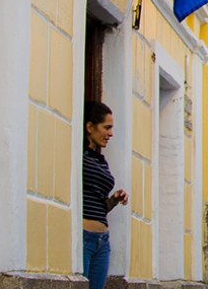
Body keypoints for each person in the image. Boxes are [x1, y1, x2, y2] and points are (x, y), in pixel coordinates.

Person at [82, 101, 130, 289]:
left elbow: (101, 205)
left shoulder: (101, 161)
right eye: (106, 128)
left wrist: (114, 200)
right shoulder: (79, 156)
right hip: (84, 239)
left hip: (102, 242)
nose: (110, 133)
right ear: (90, 127)